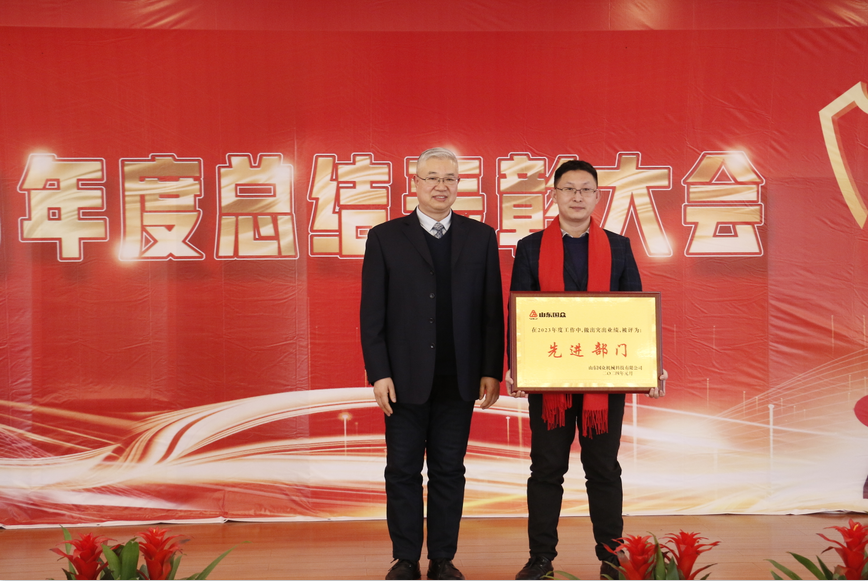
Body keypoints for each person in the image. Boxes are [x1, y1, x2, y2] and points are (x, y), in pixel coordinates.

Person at [506, 159, 666, 580]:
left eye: (585, 190)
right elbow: (518, 311)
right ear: (555, 195)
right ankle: (541, 558)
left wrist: (649, 367)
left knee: (603, 469)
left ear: (597, 196)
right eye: (569, 189)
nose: (577, 197)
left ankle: (612, 558)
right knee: (546, 470)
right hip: (549, 381)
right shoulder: (530, 247)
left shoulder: (618, 246)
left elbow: (635, 313)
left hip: (604, 381)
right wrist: (516, 367)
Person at [360, 147, 505, 580]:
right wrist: (378, 372)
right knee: (402, 470)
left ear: (459, 185)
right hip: (403, 379)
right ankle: (405, 558)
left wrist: (491, 369)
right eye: (432, 178)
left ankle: (443, 558)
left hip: (459, 377)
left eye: (450, 179)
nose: (441, 186)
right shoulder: (385, 237)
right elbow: (372, 314)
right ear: (416, 183)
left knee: (449, 471)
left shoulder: (481, 237)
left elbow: (491, 311)